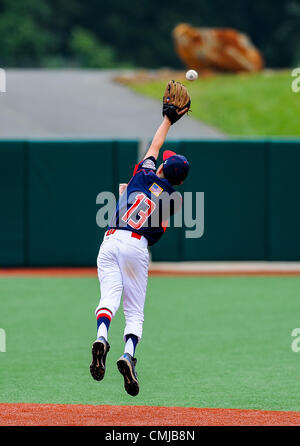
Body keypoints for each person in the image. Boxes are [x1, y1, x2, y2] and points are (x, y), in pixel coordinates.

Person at [90, 80, 191, 396]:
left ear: (162, 166)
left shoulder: (143, 173)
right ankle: (128, 355)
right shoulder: (174, 200)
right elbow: (156, 233)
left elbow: (154, 147)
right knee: (134, 311)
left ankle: (102, 337)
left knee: (109, 297)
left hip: (110, 240)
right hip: (136, 246)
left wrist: (167, 120)